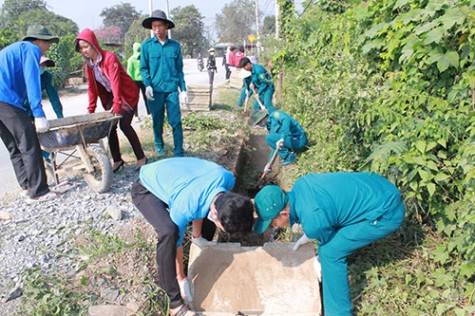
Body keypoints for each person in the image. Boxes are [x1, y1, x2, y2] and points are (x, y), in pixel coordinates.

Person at [253, 173, 405, 316]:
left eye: (273, 222)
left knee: (330, 253)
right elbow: (323, 212)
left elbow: (325, 236)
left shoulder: (314, 222)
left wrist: (320, 259)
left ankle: (338, 312)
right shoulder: (302, 184)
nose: (275, 226)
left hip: (387, 213)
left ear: (284, 214)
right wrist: (312, 232)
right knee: (331, 238)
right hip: (380, 187)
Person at [131, 157, 255, 316]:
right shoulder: (184, 208)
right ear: (215, 213)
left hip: (177, 178)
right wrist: (181, 277)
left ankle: (197, 237)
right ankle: (175, 305)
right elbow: (178, 242)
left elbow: (203, 201)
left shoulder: (227, 179)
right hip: (145, 187)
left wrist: (197, 236)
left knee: (204, 223)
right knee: (169, 232)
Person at [0, 25, 59, 203]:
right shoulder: (31, 49)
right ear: (38, 40)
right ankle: (39, 191)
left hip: (4, 101)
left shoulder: (14, 49)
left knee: (13, 146)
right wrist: (38, 113)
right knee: (29, 142)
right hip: (4, 99)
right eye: (47, 42)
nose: (48, 47)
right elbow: (31, 80)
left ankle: (26, 187)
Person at [75, 28, 147, 172]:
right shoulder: (88, 66)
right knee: (109, 127)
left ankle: (141, 158)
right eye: (81, 48)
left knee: (124, 125)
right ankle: (117, 160)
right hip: (110, 96)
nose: (84, 50)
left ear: (93, 44)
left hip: (127, 94)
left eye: (86, 46)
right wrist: (91, 109)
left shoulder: (109, 58)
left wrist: (117, 104)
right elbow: (92, 89)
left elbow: (115, 82)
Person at [140, 9, 187, 157]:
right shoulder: (147, 46)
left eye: (160, 26)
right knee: (157, 120)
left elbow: (179, 69)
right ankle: (159, 145)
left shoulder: (175, 46)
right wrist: (147, 84)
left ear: (166, 26)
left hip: (171, 89)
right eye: (154, 26)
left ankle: (178, 150)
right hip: (155, 90)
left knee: (175, 121)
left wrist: (183, 89)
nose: (157, 29)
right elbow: (144, 68)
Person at [126, 42, 150, 117]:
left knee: (147, 97)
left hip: (144, 80)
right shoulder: (131, 60)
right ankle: (136, 115)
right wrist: (129, 83)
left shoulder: (144, 58)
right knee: (135, 99)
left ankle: (149, 114)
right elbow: (129, 71)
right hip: (134, 81)